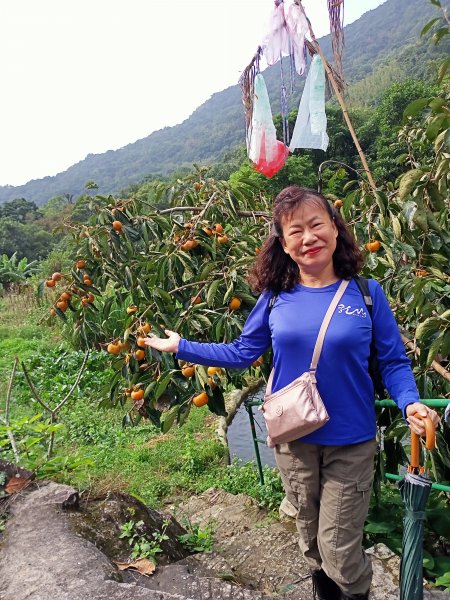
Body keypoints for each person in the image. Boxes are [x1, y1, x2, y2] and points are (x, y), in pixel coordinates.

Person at [145, 185, 440, 600]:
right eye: (295, 231)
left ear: (335, 230)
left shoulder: (367, 295)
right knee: (310, 538)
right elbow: (244, 351)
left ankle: (358, 592)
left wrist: (410, 402)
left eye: (316, 224)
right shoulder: (275, 297)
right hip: (293, 440)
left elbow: (392, 363)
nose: (308, 237)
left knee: (339, 547)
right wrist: (182, 347)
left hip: (350, 442)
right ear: (283, 244)